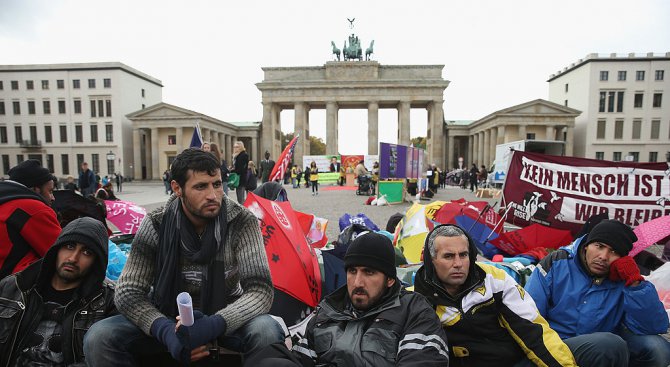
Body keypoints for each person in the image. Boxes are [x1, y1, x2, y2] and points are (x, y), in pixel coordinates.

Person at [84, 148, 283, 366]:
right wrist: (165, 330)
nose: (213, 195)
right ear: (177, 188)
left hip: (227, 312)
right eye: (200, 186)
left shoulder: (242, 221)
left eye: (216, 184)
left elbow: (260, 290)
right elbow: (128, 292)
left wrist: (215, 324)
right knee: (99, 336)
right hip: (166, 313)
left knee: (266, 331)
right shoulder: (155, 223)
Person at [246, 232, 450, 366]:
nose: (358, 282)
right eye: (352, 271)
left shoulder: (413, 310)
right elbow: (302, 359)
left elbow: (423, 361)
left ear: (389, 280)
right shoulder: (329, 310)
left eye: (369, 272)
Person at [414, 224, 576, 367]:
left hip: (515, 361)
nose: (458, 264)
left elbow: (534, 330)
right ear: (431, 260)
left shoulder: (495, 279)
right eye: (448, 256)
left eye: (463, 255)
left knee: (598, 346)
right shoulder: (415, 301)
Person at [525, 219, 670, 367]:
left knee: (658, 349)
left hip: (604, 346)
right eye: (599, 246)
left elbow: (653, 327)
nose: (603, 256)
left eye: (614, 252)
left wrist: (635, 284)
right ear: (587, 245)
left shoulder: (623, 276)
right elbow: (527, 316)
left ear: (623, 258)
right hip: (555, 344)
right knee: (609, 345)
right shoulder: (556, 263)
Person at [0, 217, 116, 366]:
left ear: (96, 261)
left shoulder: (107, 303)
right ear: (57, 249)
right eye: (69, 246)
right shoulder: (13, 287)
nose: (73, 258)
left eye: (86, 252)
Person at [0, 160, 61, 277]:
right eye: (50, 191)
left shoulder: (6, 201)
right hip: (10, 287)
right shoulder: (34, 209)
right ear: (35, 189)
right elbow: (61, 254)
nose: (53, 198)